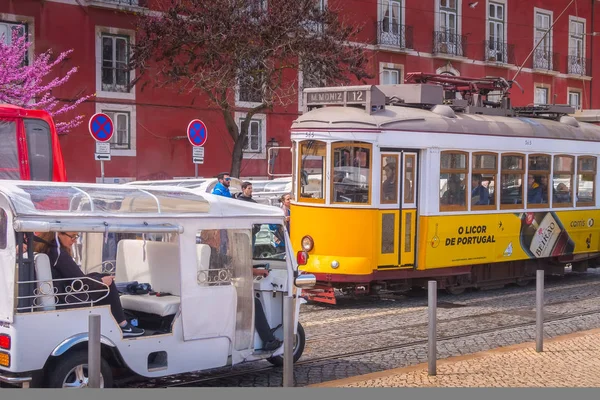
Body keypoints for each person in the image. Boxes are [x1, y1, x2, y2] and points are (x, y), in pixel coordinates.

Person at [33, 231, 145, 337]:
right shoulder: (58, 253)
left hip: (60, 294)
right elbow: (80, 281)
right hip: (66, 299)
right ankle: (123, 326)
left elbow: (75, 277)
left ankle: (116, 322)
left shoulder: (44, 249)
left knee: (99, 276)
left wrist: (98, 278)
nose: (74, 241)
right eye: (72, 236)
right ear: (58, 234)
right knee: (107, 284)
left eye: (76, 237)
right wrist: (101, 281)